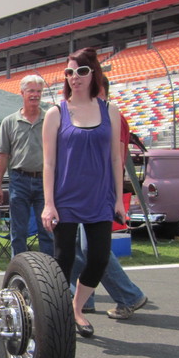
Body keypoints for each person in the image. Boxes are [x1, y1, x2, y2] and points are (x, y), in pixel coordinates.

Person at [41, 47, 125, 338]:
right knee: (62, 262)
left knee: (100, 258)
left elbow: (116, 158)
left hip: (100, 197)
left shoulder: (109, 110)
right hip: (65, 198)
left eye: (81, 71)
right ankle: (60, 314)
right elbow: (49, 163)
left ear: (93, 73)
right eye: (69, 72)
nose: (74, 77)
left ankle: (77, 307)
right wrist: (49, 204)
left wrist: (118, 198)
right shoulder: (55, 113)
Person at [73, 75, 148, 319]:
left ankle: (128, 295)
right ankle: (86, 299)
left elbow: (112, 156)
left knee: (93, 248)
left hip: (99, 188)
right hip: (88, 188)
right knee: (82, 246)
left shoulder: (109, 117)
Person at [0, 74, 54, 257]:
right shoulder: (9, 122)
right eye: (31, 91)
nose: (35, 95)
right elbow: (2, 156)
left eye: (38, 91)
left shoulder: (50, 118)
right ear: (22, 93)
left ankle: (50, 273)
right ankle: (18, 273)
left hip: (45, 180)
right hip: (19, 180)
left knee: (47, 229)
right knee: (18, 232)